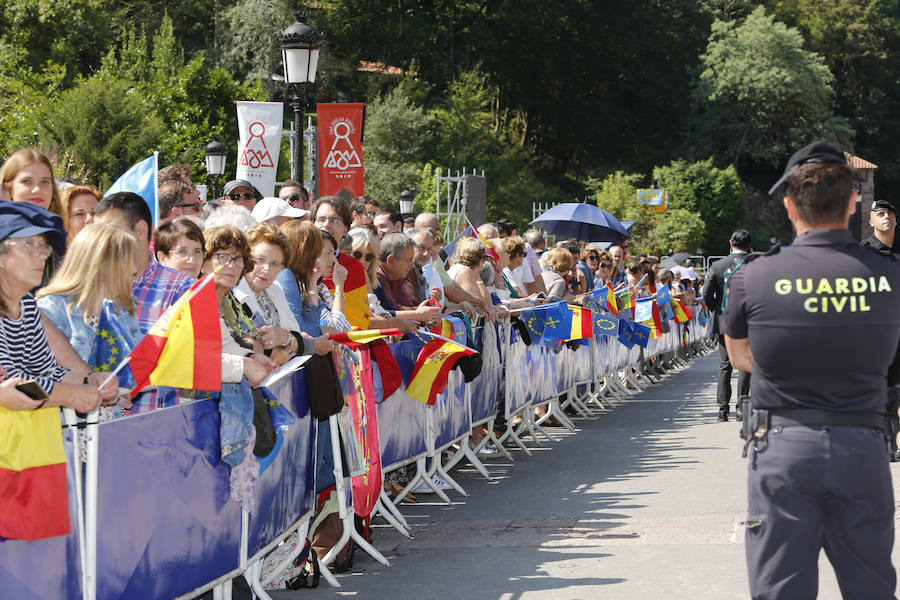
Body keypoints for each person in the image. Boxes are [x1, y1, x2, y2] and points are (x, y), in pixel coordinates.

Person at [723, 141, 900, 600]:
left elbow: (738, 356)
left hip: (783, 446)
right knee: (871, 588)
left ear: (787, 204)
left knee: (780, 588)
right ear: (853, 202)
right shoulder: (889, 275)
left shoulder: (754, 275)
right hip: (862, 445)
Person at [0, 201, 115, 413]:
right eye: (29, 244)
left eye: (44, 246)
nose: (43, 254)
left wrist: (90, 380)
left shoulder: (26, 304)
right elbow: (12, 385)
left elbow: (48, 370)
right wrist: (71, 394)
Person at [37, 223, 142, 418]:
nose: (135, 269)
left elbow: (132, 372)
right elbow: (43, 377)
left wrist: (119, 393)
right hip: (66, 435)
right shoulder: (53, 308)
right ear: (104, 264)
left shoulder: (123, 309)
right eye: (128, 261)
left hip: (111, 429)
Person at [93, 192, 194, 335]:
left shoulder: (182, 289)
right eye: (97, 232)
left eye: (111, 231)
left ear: (141, 230)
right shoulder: (88, 284)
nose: (102, 240)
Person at [233, 223, 303, 364]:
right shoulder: (234, 291)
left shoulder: (275, 288)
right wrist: (286, 349)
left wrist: (284, 337)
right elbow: (255, 348)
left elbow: (299, 340)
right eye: (259, 260)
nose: (266, 269)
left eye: (275, 263)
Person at [702, 229, 752, 422]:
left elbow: (707, 294)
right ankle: (742, 407)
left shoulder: (718, 265)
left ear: (731, 242)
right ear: (749, 245)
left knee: (725, 365)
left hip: (724, 320)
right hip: (747, 320)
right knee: (745, 365)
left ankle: (723, 410)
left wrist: (717, 309)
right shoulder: (755, 264)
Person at [310, 196, 371, 329]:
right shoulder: (301, 264)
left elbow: (362, 318)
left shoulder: (354, 266)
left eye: (334, 220)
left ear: (345, 229)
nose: (326, 224)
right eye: (321, 219)